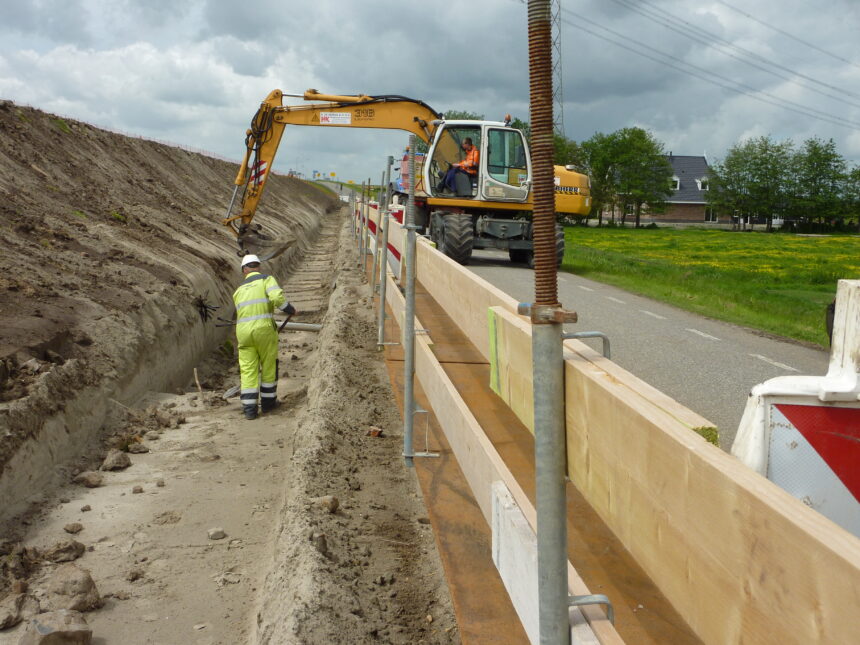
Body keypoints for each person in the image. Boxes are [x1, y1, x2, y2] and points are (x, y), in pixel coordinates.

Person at [232, 254, 296, 420]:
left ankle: (249, 410)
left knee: (248, 369)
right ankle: (268, 404)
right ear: (258, 267)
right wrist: (288, 309)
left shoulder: (238, 290)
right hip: (263, 330)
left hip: (243, 333)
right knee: (268, 365)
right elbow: (276, 298)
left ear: (244, 270)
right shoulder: (266, 279)